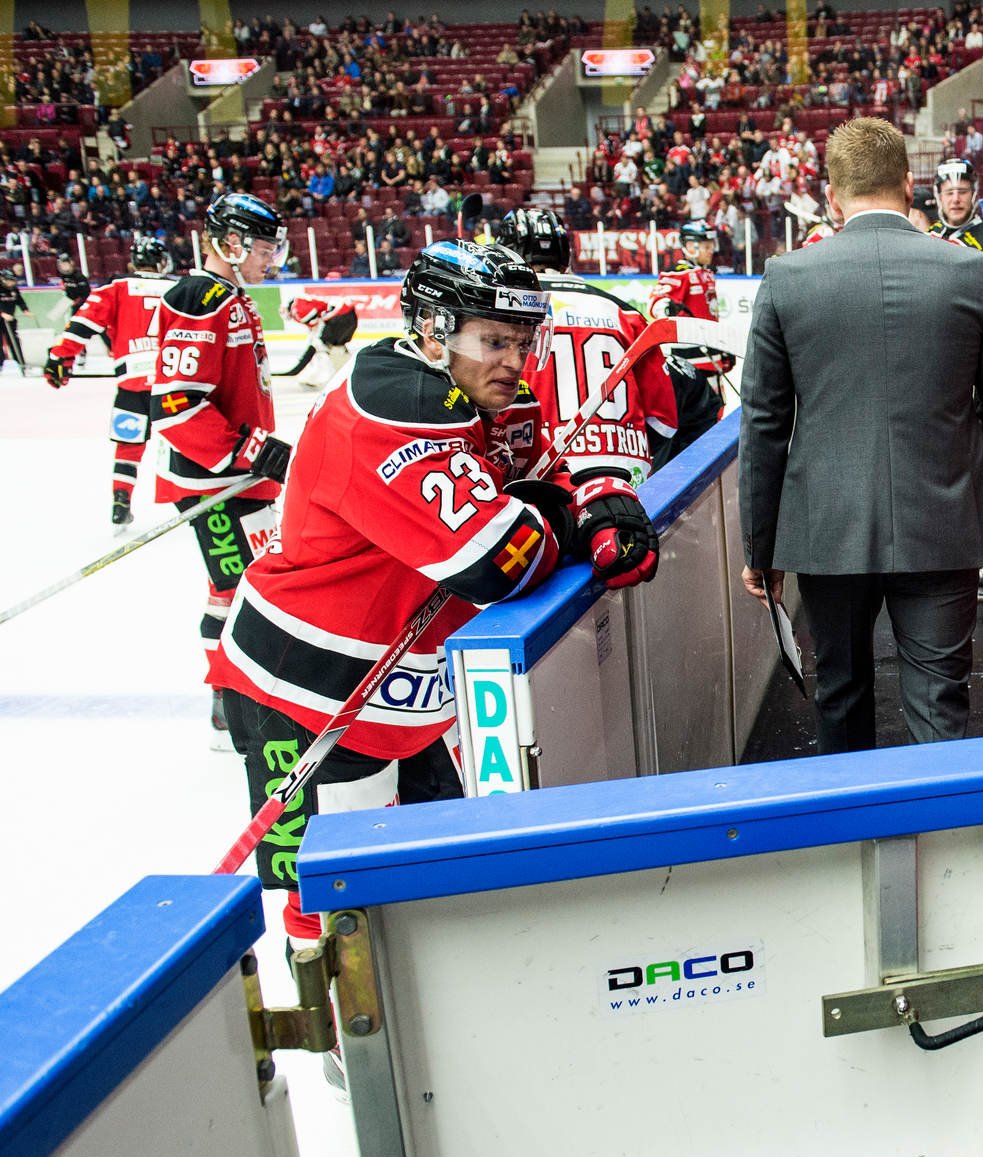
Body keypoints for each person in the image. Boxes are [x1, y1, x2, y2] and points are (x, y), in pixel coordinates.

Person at [209, 240, 655, 951]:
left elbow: (544, 476)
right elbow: (494, 559)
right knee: (330, 903)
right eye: (493, 340)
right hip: (307, 692)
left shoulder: (482, 395)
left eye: (521, 340)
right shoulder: (393, 405)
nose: (514, 359)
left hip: (394, 691)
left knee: (422, 877)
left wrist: (598, 497)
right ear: (433, 330)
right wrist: (562, 520)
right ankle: (346, 1054)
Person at [738, 117, 983, 752]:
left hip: (828, 527)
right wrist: (959, 470)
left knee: (839, 693)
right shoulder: (971, 272)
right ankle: (950, 843)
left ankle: (853, 839)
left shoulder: (786, 278)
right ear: (908, 182)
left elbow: (763, 424)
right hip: (943, 521)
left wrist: (761, 549)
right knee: (941, 701)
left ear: (830, 194)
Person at [148, 192, 292, 736]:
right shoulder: (197, 297)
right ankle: (230, 703)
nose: (270, 259)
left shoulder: (230, 296)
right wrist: (251, 450)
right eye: (263, 248)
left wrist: (258, 453)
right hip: (212, 482)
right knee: (234, 590)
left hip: (242, 480)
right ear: (230, 243)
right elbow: (176, 402)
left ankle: (231, 693)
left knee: (245, 585)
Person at [496, 206, 678, 485]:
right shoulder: (623, 313)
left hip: (545, 472)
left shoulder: (504, 314)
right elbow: (664, 421)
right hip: (626, 471)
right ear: (564, 256)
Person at [43, 236, 176, 528]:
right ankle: (193, 498)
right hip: (174, 383)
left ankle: (121, 500)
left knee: (129, 446)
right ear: (161, 261)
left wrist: (60, 357)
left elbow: (83, 323)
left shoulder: (116, 288)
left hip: (132, 382)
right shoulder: (178, 287)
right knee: (185, 442)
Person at [644, 219, 729, 463]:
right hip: (692, 365)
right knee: (701, 418)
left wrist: (722, 349)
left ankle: (712, 460)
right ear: (690, 246)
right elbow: (657, 300)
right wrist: (665, 307)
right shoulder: (679, 274)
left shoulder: (705, 274)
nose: (711, 248)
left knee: (717, 411)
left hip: (711, 359)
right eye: (705, 244)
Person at [282, 293, 360, 389]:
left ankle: (315, 379)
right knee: (337, 347)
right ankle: (353, 374)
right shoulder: (301, 300)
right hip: (350, 316)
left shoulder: (296, 310)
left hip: (339, 318)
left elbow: (316, 322)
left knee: (321, 347)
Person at [928, 156, 983, 254]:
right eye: (949, 192)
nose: (956, 199)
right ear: (940, 197)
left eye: (962, 192)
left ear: (973, 195)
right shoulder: (933, 231)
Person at [0, 268, 24, 377]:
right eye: (8, 280)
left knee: (14, 341)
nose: (10, 283)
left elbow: (19, 300)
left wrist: (25, 309)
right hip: (1, 319)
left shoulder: (14, 289)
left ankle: (21, 363)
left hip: (10, 319)